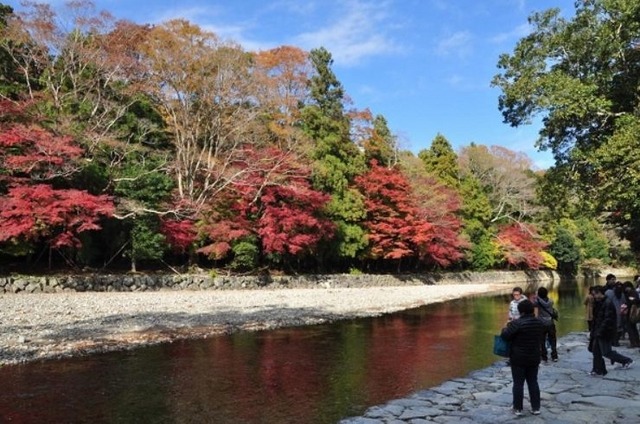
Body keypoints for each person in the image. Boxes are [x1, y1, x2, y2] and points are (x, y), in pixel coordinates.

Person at [500, 299, 544, 416]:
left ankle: (518, 408)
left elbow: (505, 336)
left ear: (521, 311)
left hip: (518, 357)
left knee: (518, 383)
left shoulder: (517, 323)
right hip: (534, 356)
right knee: (533, 382)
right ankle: (536, 408)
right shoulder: (539, 323)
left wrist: (505, 327)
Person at [592, 285, 634, 373]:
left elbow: (608, 320)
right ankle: (598, 370)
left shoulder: (608, 303)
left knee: (606, 352)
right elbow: (597, 318)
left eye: (595, 294)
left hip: (605, 332)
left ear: (599, 293)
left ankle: (626, 360)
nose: (594, 297)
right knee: (596, 351)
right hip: (599, 331)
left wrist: (600, 332)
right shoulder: (599, 303)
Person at [533, 286, 558, 362]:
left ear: (539, 294)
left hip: (541, 324)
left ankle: (544, 356)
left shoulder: (537, 301)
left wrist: (537, 296)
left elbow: (534, 304)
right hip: (550, 323)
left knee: (542, 341)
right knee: (553, 340)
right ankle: (554, 356)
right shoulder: (551, 301)